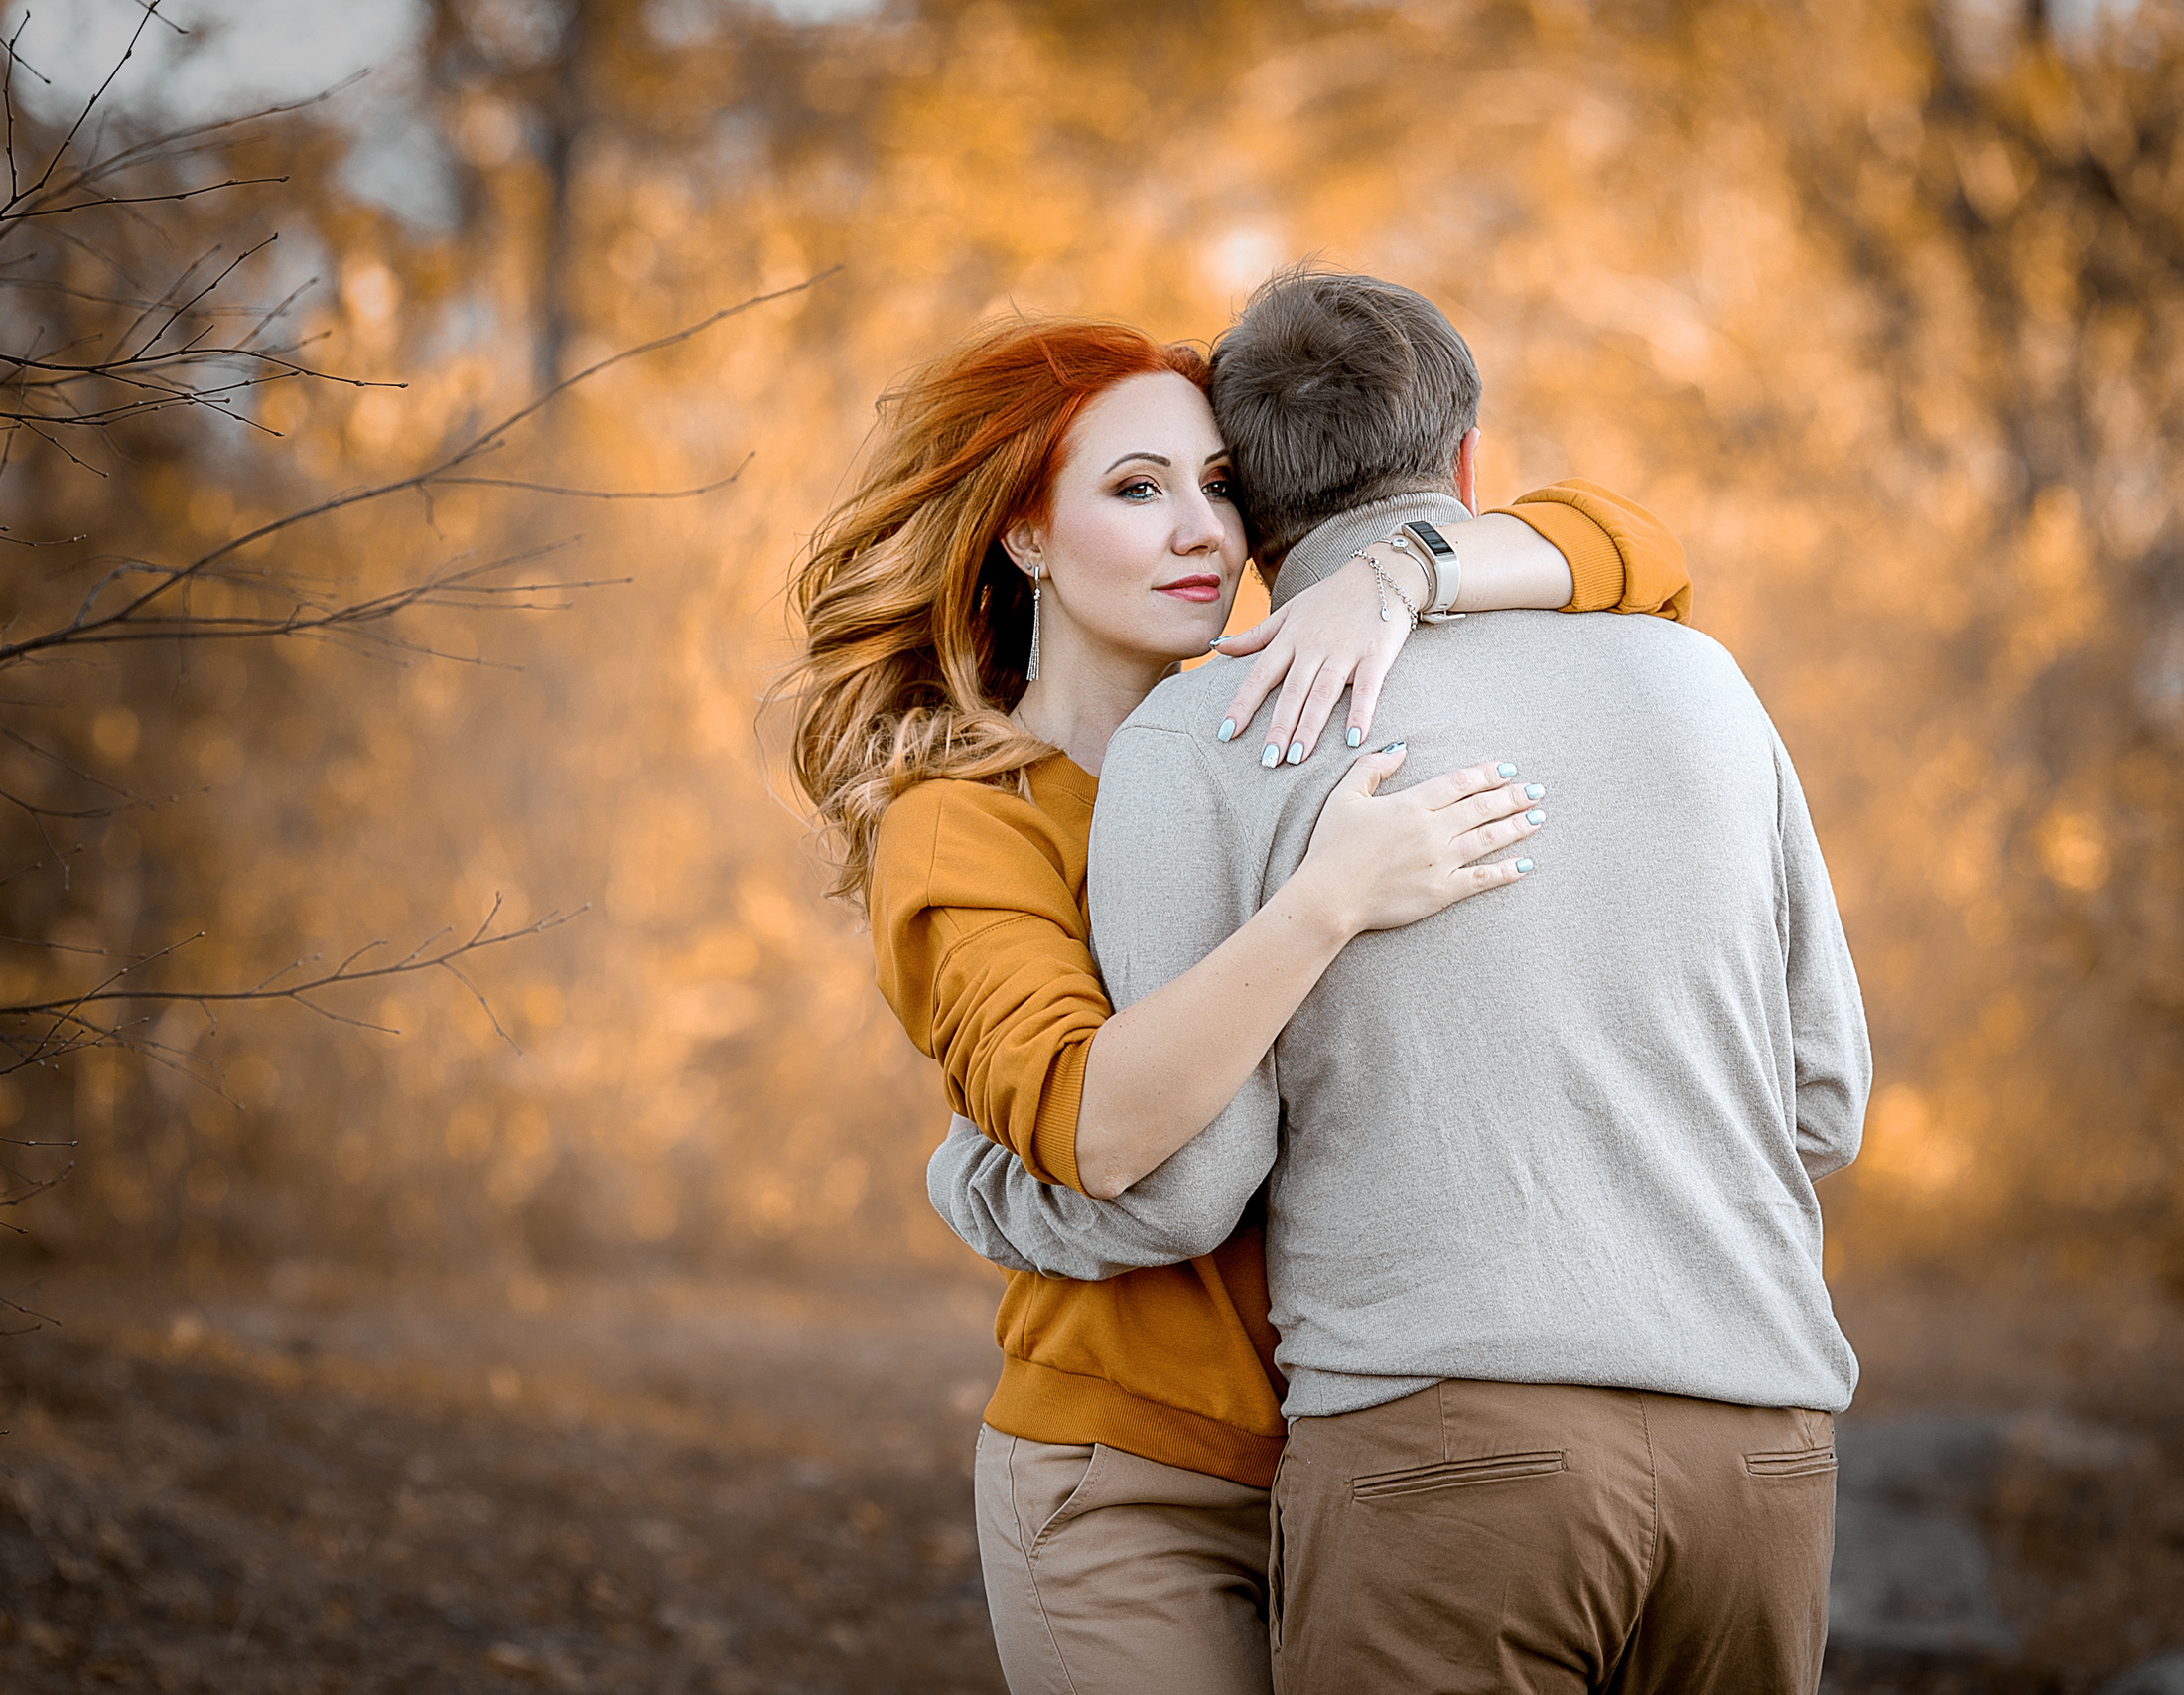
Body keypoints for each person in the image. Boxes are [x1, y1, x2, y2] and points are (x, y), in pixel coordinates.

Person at [930, 271, 1868, 1694]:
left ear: (1251, 514)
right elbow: (1825, 1101)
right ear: (1471, 460)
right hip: (1767, 1453)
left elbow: (1183, 1186)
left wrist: (973, 1183)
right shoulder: (1704, 682)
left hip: (1443, 1458)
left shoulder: (1211, 734)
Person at [785, 313, 1691, 1695]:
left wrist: (1402, 572)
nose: (1200, 532)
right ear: (1027, 536)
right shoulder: (965, 826)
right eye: (1136, 490)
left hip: (1375, 1464)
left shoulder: (1297, 703)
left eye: (1219, 488)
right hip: (1134, 1480)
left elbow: (1642, 552)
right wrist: (1324, 903)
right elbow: (1094, 1123)